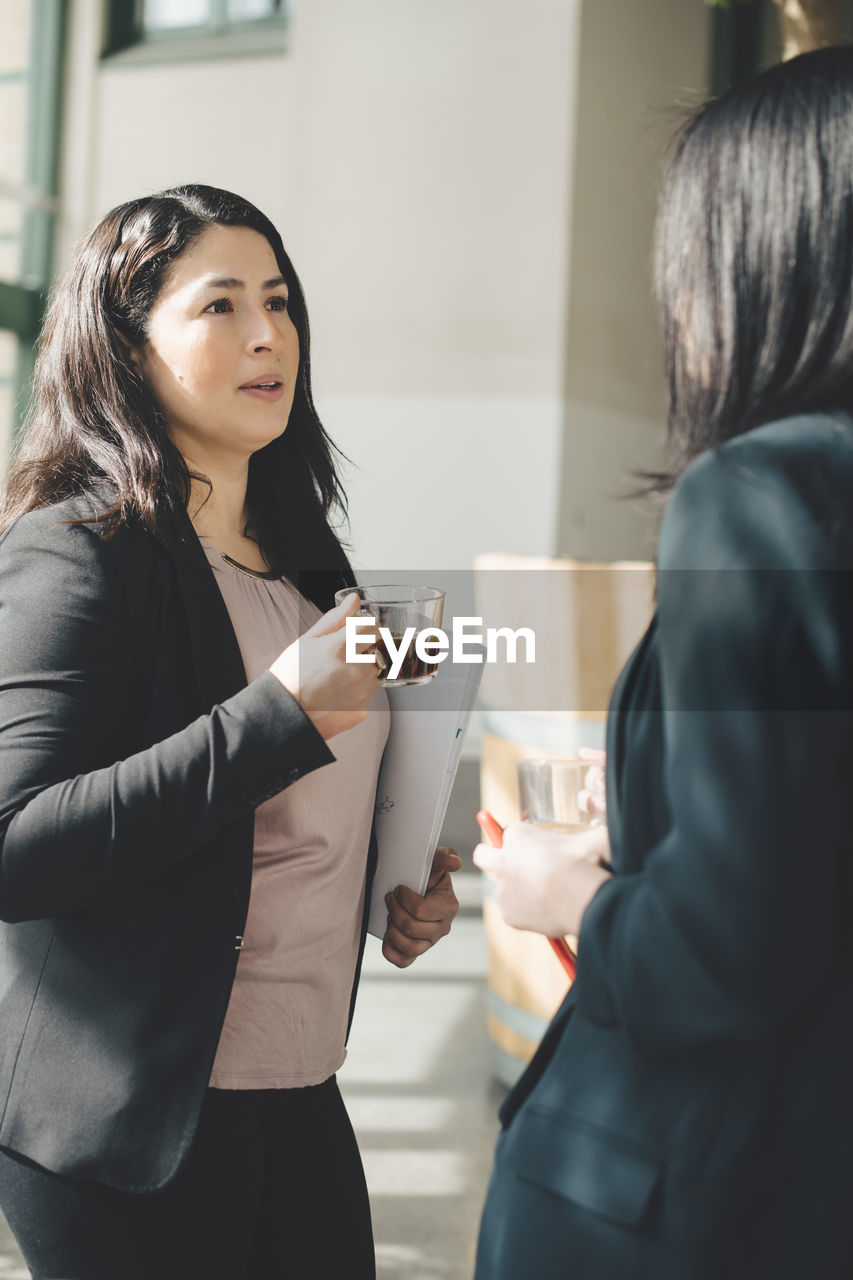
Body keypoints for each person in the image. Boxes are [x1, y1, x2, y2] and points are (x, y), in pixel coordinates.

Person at [0, 183, 460, 1280]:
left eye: (282, 300)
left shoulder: (311, 566)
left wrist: (396, 879)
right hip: (135, 1124)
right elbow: (18, 845)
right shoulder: (77, 551)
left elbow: (288, 824)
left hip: (301, 1088)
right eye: (219, 306)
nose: (269, 335)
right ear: (125, 345)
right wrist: (278, 716)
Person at [473, 46, 853, 1280]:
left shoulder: (758, 493)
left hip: (680, 1194)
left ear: (766, 256)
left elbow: (735, 937)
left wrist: (563, 894)